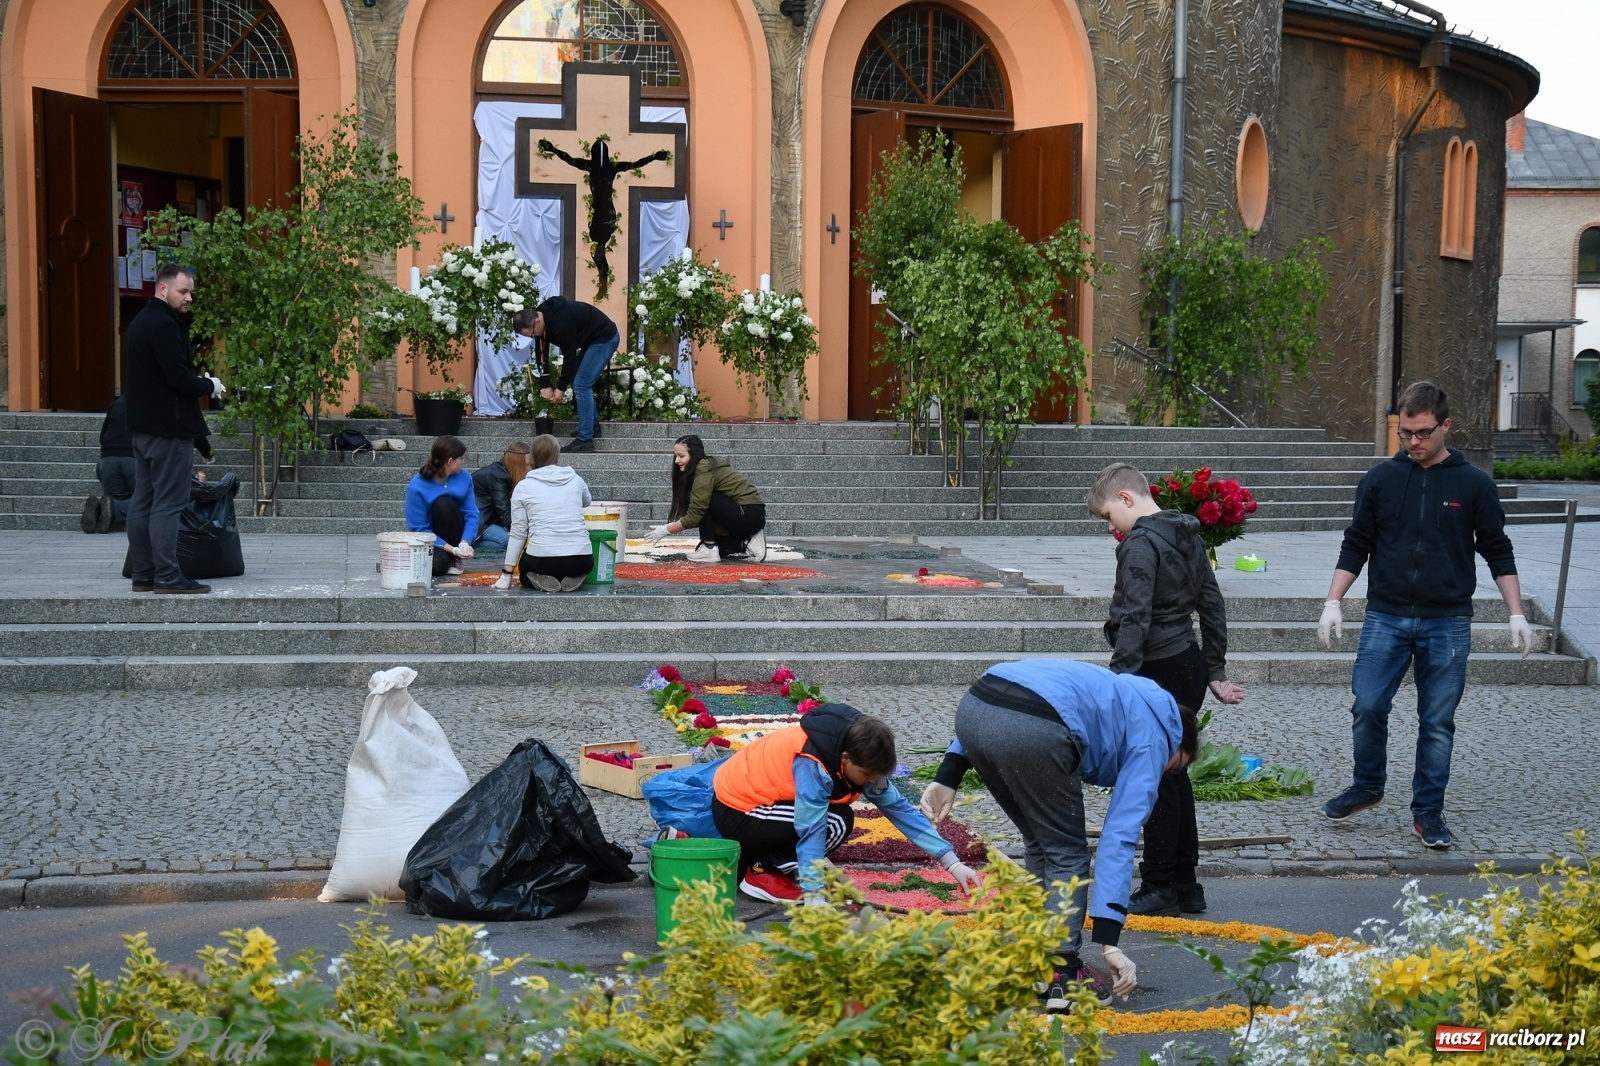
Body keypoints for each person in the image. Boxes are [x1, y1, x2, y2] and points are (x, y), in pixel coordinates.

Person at [1317, 381, 1531, 849]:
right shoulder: (1380, 479)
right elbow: (1357, 542)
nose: (1413, 442)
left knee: (1437, 721)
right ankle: (1368, 785)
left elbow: (1497, 549)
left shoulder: (1474, 484)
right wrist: (1333, 601)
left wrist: (1516, 613)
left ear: (1445, 426)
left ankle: (1428, 813)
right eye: (1405, 434)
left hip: (1447, 620)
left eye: (1422, 433)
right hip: (1386, 616)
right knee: (1368, 704)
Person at [919, 660, 1200, 1012]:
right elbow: (1119, 838)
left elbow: (1009, 691)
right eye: (1173, 766)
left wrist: (948, 773)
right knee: (1067, 852)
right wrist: (1109, 942)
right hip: (1034, 729)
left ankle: (1036, 954)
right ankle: (1062, 975)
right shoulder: (1156, 740)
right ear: (1178, 743)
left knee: (1041, 841)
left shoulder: (1120, 693)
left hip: (975, 710)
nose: (1163, 772)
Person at [1088, 462, 1243, 918]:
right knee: (1173, 777)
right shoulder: (1188, 534)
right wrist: (1213, 667)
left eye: (1107, 517)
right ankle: (1184, 884)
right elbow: (1212, 604)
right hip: (1188, 665)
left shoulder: (1139, 544)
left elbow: (1134, 616)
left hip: (1155, 668)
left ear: (1126, 500)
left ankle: (1159, 884)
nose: (1109, 528)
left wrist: (1120, 682)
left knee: (1152, 779)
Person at [711, 701, 981, 905]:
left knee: (837, 817)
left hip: (759, 807)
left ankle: (760, 860)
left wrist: (952, 862)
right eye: (866, 774)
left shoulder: (860, 754)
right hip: (738, 811)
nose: (871, 781)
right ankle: (762, 872)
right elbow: (811, 827)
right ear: (845, 759)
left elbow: (899, 810)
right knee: (836, 822)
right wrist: (815, 894)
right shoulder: (812, 765)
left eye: (877, 775)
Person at [123, 264, 226, 594]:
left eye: (191, 291)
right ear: (163, 289)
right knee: (168, 503)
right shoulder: (165, 325)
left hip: (142, 430)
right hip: (168, 430)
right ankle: (167, 576)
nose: (189, 297)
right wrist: (209, 385)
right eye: (183, 291)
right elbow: (178, 379)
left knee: (142, 502)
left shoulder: (139, 323)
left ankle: (144, 574)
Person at [642, 434, 767, 563]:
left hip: (750, 515)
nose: (676, 461)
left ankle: (711, 547)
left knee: (702, 500)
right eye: (676, 456)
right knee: (719, 549)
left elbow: (695, 515)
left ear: (694, 455)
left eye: (681, 456)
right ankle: (744, 542)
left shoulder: (703, 471)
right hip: (745, 515)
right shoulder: (701, 470)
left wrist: (665, 530)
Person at [495, 434, 594, 593]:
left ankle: (542, 579)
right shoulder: (576, 479)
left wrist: (506, 574)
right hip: (582, 559)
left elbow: (518, 532)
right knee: (579, 564)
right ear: (558, 455)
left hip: (542, 561)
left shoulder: (523, 487)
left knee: (525, 571)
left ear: (532, 457)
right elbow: (587, 501)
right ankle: (575, 576)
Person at [531, 295, 621, 452]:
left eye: (531, 333)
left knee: (581, 384)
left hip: (605, 338)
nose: (532, 336)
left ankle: (585, 439)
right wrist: (544, 384)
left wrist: (560, 388)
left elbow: (569, 357)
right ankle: (593, 426)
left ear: (536, 322)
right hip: (592, 340)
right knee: (576, 378)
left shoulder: (560, 323)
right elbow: (541, 351)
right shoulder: (542, 319)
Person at [405, 435, 480, 577]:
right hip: (431, 539)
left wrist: (465, 542)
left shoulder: (464, 477)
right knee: (436, 566)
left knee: (445, 504)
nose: (463, 462)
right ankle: (449, 557)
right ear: (450, 461)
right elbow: (419, 528)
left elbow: (471, 513)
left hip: (455, 532)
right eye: (461, 459)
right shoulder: (417, 486)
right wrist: (451, 549)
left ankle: (456, 558)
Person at [82, 396, 134, 534]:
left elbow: (103, 435)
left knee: (115, 498)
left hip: (107, 459)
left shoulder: (118, 403)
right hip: (135, 459)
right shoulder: (155, 401)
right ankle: (116, 509)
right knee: (151, 499)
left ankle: (99, 509)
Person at [472, 441, 530, 557]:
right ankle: (469, 544)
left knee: (515, 541)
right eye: (527, 465)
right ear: (518, 464)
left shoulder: (501, 472)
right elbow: (505, 513)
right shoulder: (497, 477)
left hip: (487, 519)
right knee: (510, 542)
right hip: (477, 522)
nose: (530, 469)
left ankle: (472, 543)